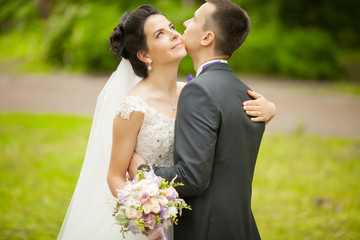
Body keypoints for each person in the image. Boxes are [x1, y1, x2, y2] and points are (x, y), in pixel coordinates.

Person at [58, 3, 275, 240]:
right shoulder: (133, 106)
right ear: (144, 55)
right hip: (154, 219)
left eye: (170, 27)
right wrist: (145, 215)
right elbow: (115, 174)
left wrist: (270, 109)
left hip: (192, 219)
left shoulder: (193, 92)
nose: (174, 32)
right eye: (160, 34)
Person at [129, 0, 266, 239]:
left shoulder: (198, 91)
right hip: (241, 227)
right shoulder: (246, 93)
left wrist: (143, 171)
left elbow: (192, 178)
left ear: (207, 38)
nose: (184, 23)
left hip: (207, 230)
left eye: (193, 19)